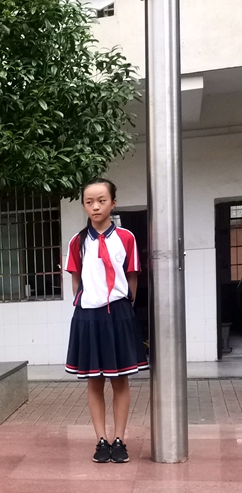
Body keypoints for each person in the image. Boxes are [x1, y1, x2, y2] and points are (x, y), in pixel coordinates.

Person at [64, 178, 148, 463]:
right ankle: (101, 439)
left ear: (113, 202)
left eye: (101, 200)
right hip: (88, 317)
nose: (95, 206)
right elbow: (76, 280)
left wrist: (125, 308)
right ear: (84, 205)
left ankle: (120, 439)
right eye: (89, 201)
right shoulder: (77, 242)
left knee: (120, 379)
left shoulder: (126, 238)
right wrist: (86, 307)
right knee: (94, 381)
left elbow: (132, 275)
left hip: (119, 313)